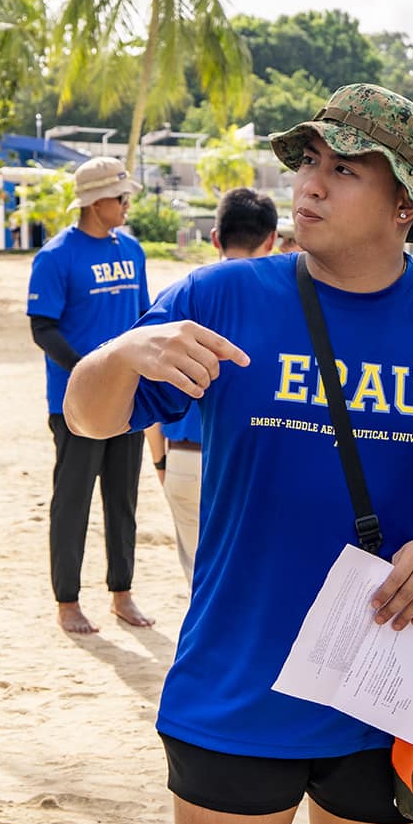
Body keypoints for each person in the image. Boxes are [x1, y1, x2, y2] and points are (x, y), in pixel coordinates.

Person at [63, 83, 413, 824]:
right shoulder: (222, 297)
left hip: (382, 688)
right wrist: (124, 352)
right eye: (310, 160)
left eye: (344, 170)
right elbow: (86, 417)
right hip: (237, 684)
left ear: (405, 206)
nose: (309, 182)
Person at [26, 156, 154, 636]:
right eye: (120, 196)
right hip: (75, 405)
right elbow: (43, 328)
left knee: (122, 500)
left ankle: (121, 594)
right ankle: (68, 602)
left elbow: (144, 318)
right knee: (73, 501)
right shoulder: (57, 257)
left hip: (129, 401)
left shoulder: (133, 250)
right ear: (95, 202)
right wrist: (89, 372)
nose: (126, 204)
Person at [145, 187, 279, 585]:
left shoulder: (179, 298)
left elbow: (149, 394)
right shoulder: (286, 308)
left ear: (215, 238)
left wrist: (161, 462)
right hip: (256, 466)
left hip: (186, 458)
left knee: (201, 587)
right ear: (271, 240)